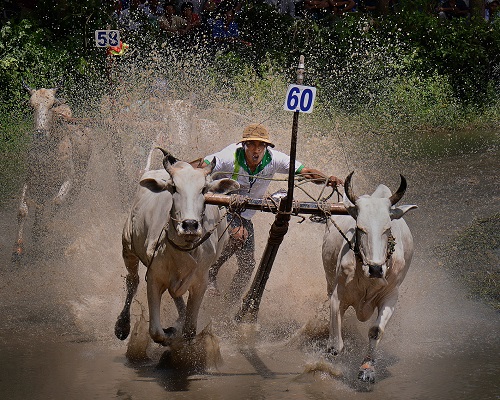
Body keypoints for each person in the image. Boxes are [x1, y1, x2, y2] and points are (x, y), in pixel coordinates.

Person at [199, 123, 343, 303]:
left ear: (266, 147)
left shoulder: (275, 159)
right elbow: (204, 164)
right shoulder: (231, 155)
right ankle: (212, 270)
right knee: (239, 236)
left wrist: (327, 179)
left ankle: (230, 302)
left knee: (248, 266)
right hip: (221, 209)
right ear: (244, 145)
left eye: (261, 145)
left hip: (245, 215)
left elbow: (304, 171)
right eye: (251, 144)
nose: (256, 150)